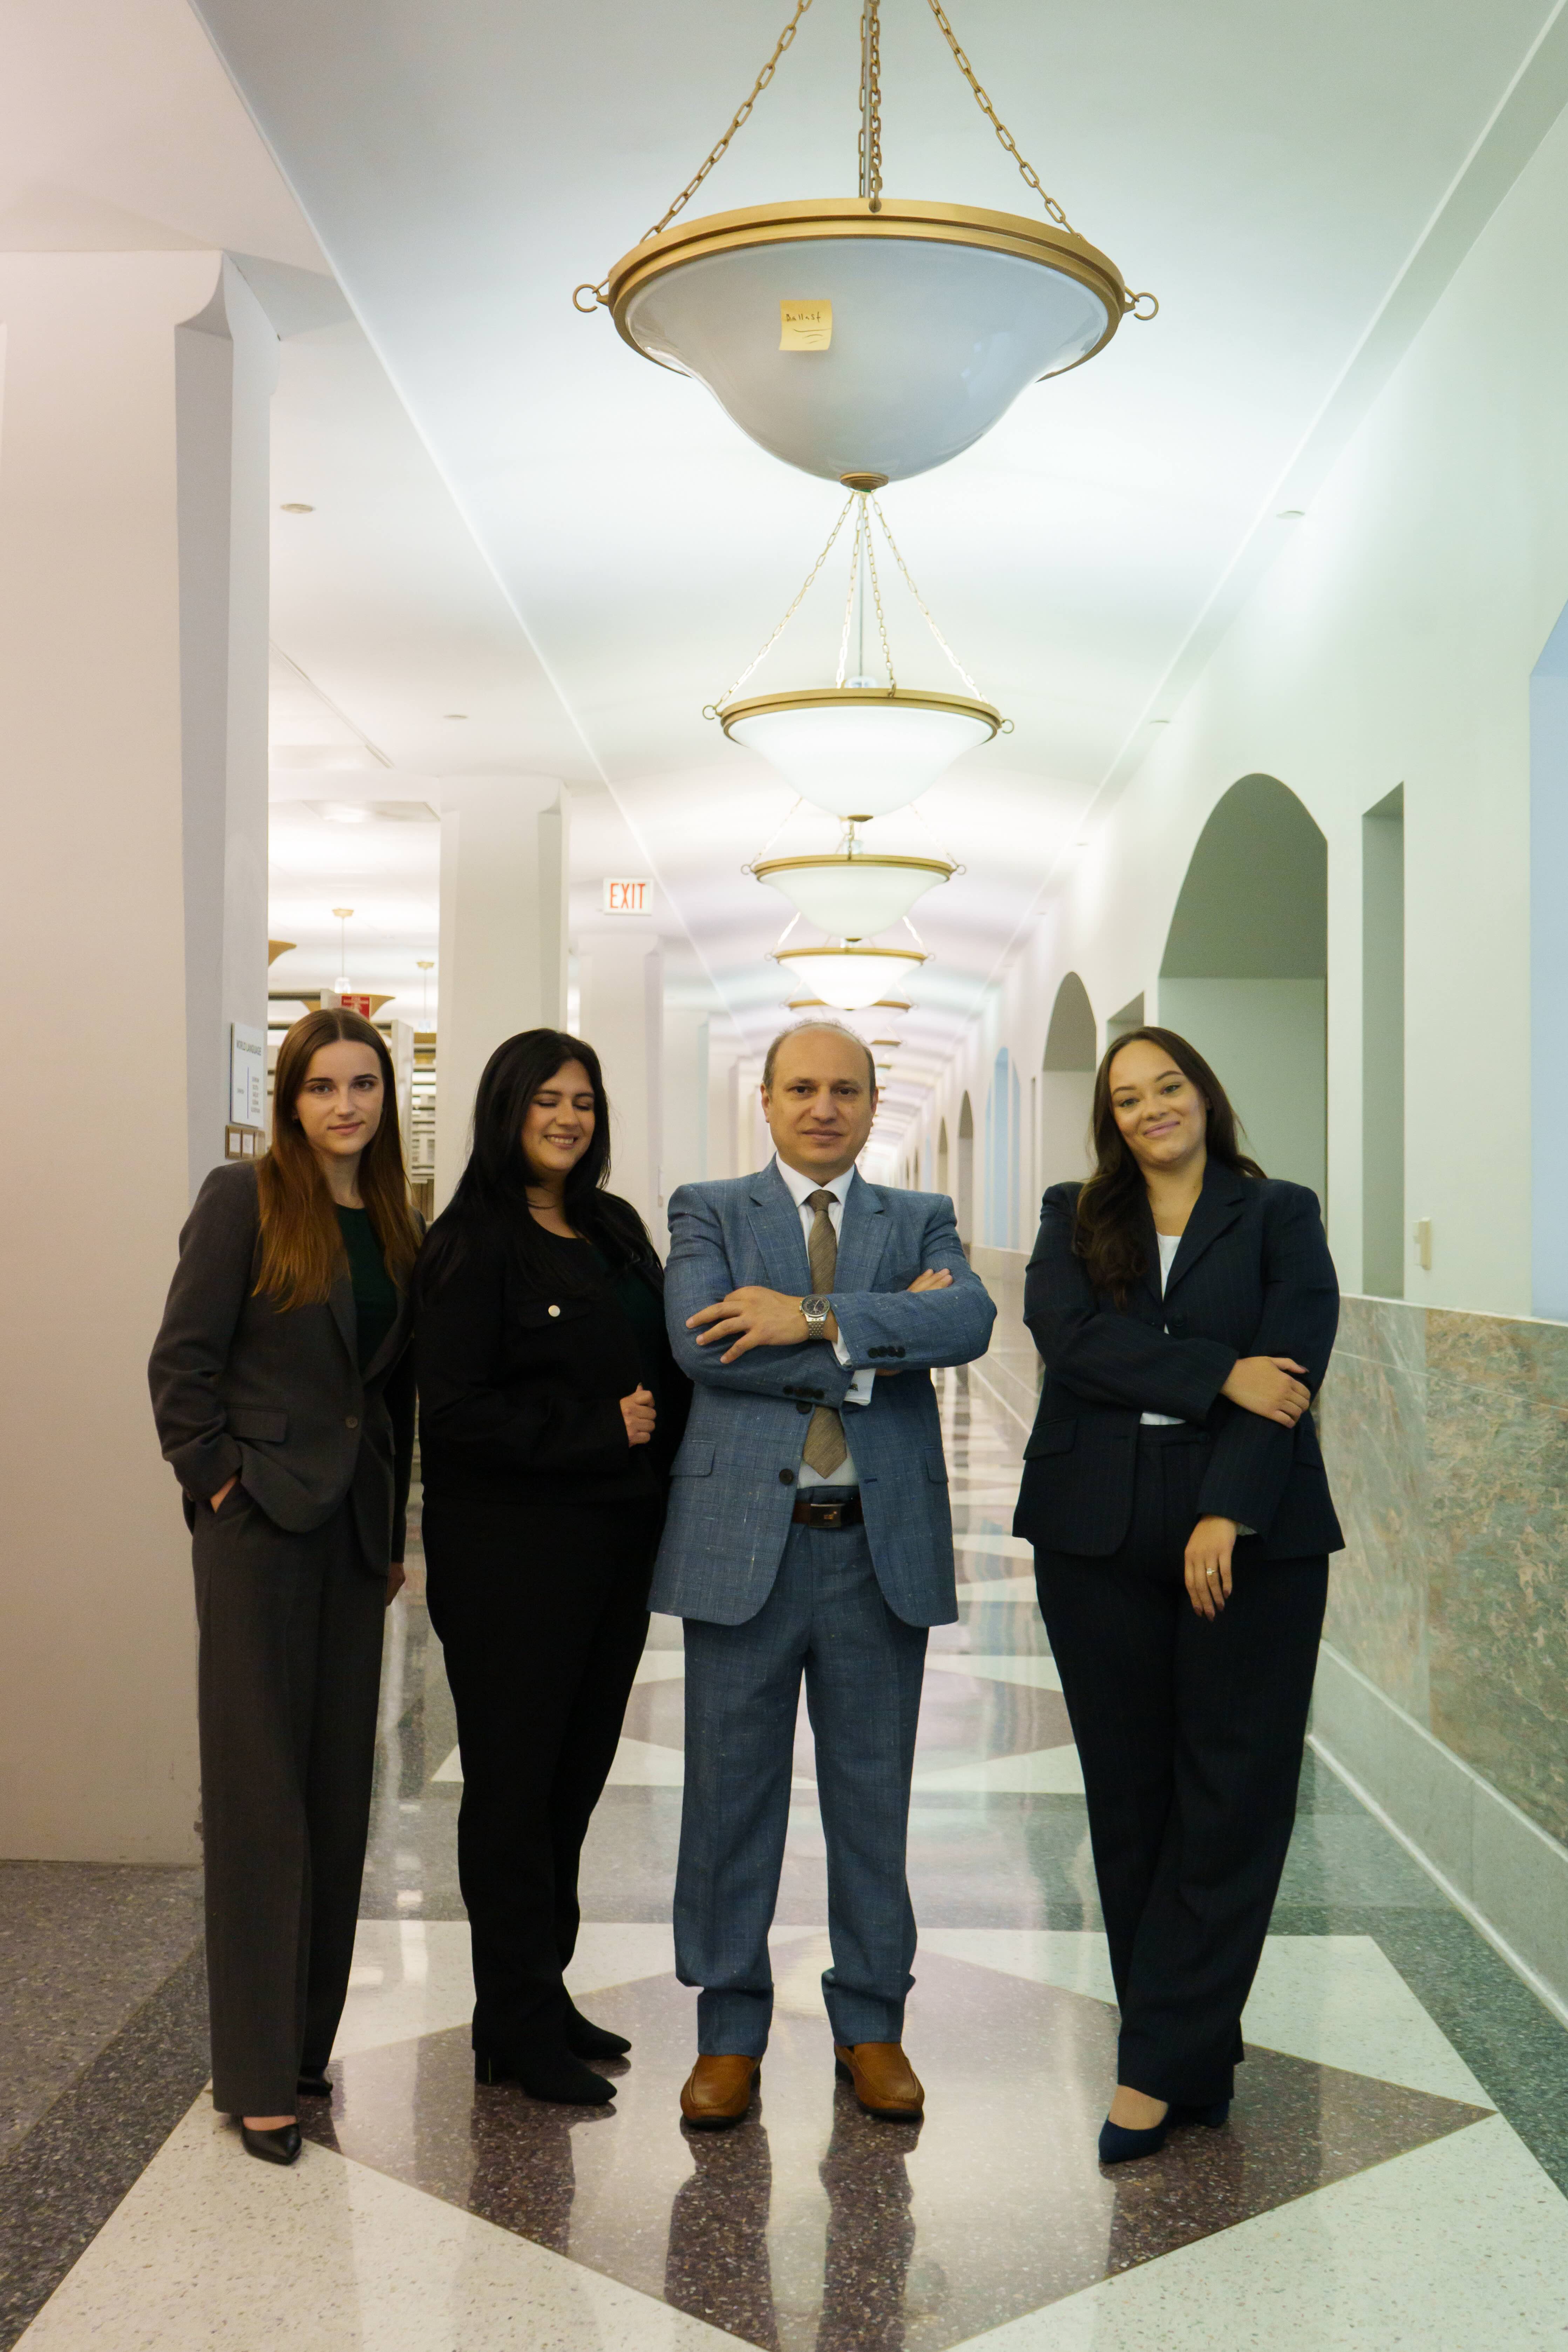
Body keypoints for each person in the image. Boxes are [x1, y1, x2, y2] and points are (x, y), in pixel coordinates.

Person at [656, 1020, 996, 2129]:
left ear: (868, 1103)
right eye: (800, 1088)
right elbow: (703, 1343)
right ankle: (728, 2034)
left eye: (843, 1090)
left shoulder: (919, 1218)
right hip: (743, 1548)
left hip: (872, 1548)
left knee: (870, 1796)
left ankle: (871, 2025)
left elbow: (968, 1322)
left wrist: (801, 1318)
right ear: (765, 1101)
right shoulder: (709, 1209)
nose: (822, 1107)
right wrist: (869, 1350)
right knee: (726, 1799)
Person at [1013, 1025, 1343, 2164]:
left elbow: (1293, 1366)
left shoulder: (1279, 1212)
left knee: (1235, 1792)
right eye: (1129, 1095)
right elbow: (1068, 1337)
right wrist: (1215, 1373)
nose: (1153, 1107)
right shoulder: (1075, 1212)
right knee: (1132, 1795)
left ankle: (1151, 2065)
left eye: (1170, 1085)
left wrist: (1227, 1509)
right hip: (1093, 1523)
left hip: (1246, 1522)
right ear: (1109, 1118)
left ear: (1204, 1094)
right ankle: (1186, 2047)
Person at [148, 1008, 421, 2167]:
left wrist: (395, 1520)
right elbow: (181, 1365)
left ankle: (304, 2050)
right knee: (260, 1804)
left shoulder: (397, 1223)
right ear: (290, 1098)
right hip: (260, 1531)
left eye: (362, 1086)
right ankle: (255, 2076)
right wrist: (221, 1490)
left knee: (334, 1798)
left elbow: (392, 1395)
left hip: (354, 1541)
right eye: (322, 1087)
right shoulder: (243, 1197)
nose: (344, 1106)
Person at [413, 1029, 687, 2106]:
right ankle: (511, 2022)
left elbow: (666, 1368)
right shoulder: (470, 1244)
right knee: (515, 1787)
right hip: (511, 1557)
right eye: (546, 1102)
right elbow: (458, 1417)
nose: (568, 1118)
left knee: (572, 1782)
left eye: (582, 1100)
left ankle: (540, 1991)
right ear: (505, 1113)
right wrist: (599, 1428)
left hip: (614, 1544)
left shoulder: (612, 1227)